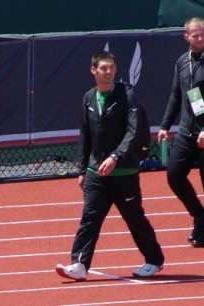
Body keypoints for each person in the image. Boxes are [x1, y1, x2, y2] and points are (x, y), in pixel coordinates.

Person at [56, 51, 164, 280]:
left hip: (124, 171)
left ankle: (153, 260)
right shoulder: (88, 98)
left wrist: (115, 156)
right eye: (103, 68)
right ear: (93, 70)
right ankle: (79, 264)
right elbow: (85, 135)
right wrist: (83, 169)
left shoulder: (127, 95)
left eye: (111, 68)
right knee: (89, 218)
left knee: (134, 218)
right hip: (96, 172)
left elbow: (132, 131)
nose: (108, 72)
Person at [158, 17, 204, 247]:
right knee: (174, 175)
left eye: (203, 34)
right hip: (187, 131)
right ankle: (200, 216)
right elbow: (177, 95)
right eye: (196, 35)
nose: (200, 38)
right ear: (186, 36)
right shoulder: (182, 62)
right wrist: (165, 126)